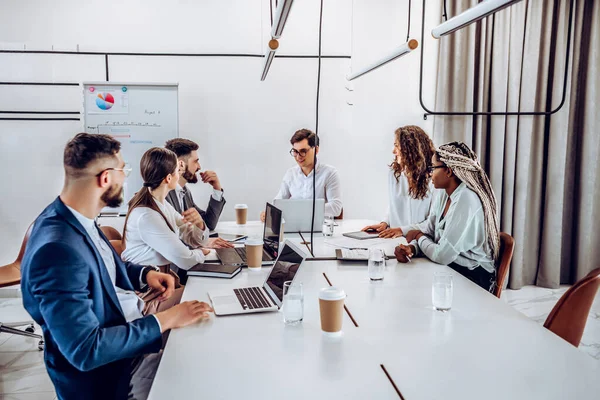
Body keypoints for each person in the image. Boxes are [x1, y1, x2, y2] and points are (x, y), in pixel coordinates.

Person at [20, 133, 213, 400]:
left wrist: (144, 274)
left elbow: (102, 266)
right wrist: (167, 318)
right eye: (124, 170)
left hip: (123, 353)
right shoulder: (57, 250)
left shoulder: (79, 218)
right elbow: (86, 350)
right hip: (100, 383)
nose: (127, 178)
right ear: (106, 178)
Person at [394, 141, 501, 292]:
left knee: (415, 289)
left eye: (433, 168)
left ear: (449, 171)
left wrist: (418, 237)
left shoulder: (466, 198)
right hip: (453, 267)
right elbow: (430, 231)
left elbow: (442, 255)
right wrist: (412, 248)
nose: (430, 173)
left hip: (474, 277)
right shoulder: (444, 194)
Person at [122, 147, 225, 286]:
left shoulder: (162, 204)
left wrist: (200, 225)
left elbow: (190, 236)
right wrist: (201, 251)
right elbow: (186, 260)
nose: (180, 174)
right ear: (169, 178)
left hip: (165, 281)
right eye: (178, 171)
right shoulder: (147, 215)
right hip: (150, 290)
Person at [362, 125, 436, 238]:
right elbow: (394, 204)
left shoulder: (434, 180)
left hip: (420, 241)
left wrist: (402, 230)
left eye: (396, 146)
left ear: (410, 148)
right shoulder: (394, 173)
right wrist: (385, 223)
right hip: (394, 239)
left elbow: (432, 223)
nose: (393, 151)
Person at [261, 128, 342, 221]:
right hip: (294, 225)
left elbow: (336, 207)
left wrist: (302, 210)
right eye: (295, 151)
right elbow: (279, 202)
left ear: (316, 150)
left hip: (320, 228)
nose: (298, 156)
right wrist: (270, 212)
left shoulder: (329, 173)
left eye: (303, 151)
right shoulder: (290, 174)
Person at [164, 138, 226, 232]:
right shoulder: (164, 193)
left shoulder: (184, 191)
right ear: (181, 163)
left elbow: (208, 224)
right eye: (195, 161)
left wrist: (216, 188)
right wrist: (203, 242)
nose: (199, 167)